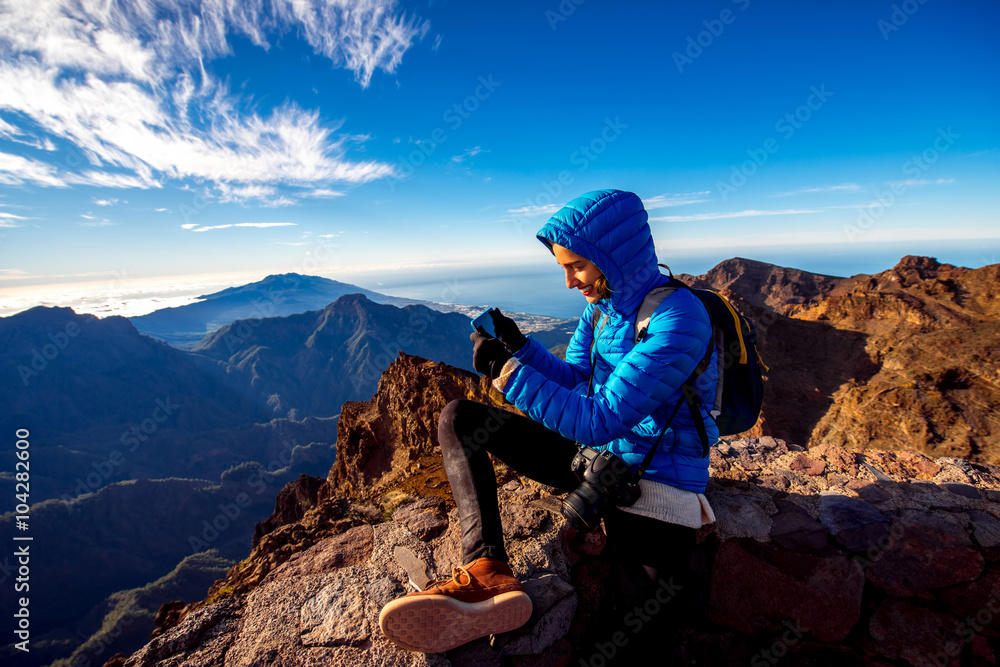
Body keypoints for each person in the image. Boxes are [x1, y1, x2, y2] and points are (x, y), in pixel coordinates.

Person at [378, 189, 717, 657]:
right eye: (563, 267)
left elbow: (602, 418)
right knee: (460, 417)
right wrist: (520, 348)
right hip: (593, 461)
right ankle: (486, 570)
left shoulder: (680, 318)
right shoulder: (602, 310)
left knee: (639, 638)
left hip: (655, 481)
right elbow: (577, 377)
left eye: (576, 265)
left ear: (612, 256)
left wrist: (507, 374)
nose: (569, 281)